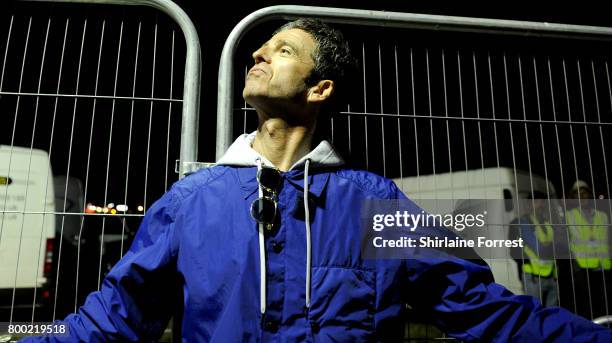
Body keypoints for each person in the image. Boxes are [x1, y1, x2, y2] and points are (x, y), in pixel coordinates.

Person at [22, 19, 612, 342]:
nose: (257, 53)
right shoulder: (191, 203)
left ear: (319, 88)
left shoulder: (372, 204)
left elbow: (481, 308)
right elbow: (117, 316)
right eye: (262, 46)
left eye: (281, 50)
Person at [563, 180, 611, 320]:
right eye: (578, 194)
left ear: (590, 195)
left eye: (584, 193)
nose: (582, 197)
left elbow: (608, 239)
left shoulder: (603, 215)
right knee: (587, 305)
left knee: (605, 303)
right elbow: (566, 241)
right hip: (583, 267)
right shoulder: (569, 216)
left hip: (603, 266)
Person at [509, 192, 561, 307]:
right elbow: (539, 249)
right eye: (537, 201)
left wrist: (551, 245)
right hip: (533, 276)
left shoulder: (547, 222)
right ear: (529, 205)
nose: (541, 205)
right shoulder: (523, 222)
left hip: (552, 274)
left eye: (543, 202)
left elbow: (563, 245)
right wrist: (552, 246)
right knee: (535, 311)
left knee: (552, 314)